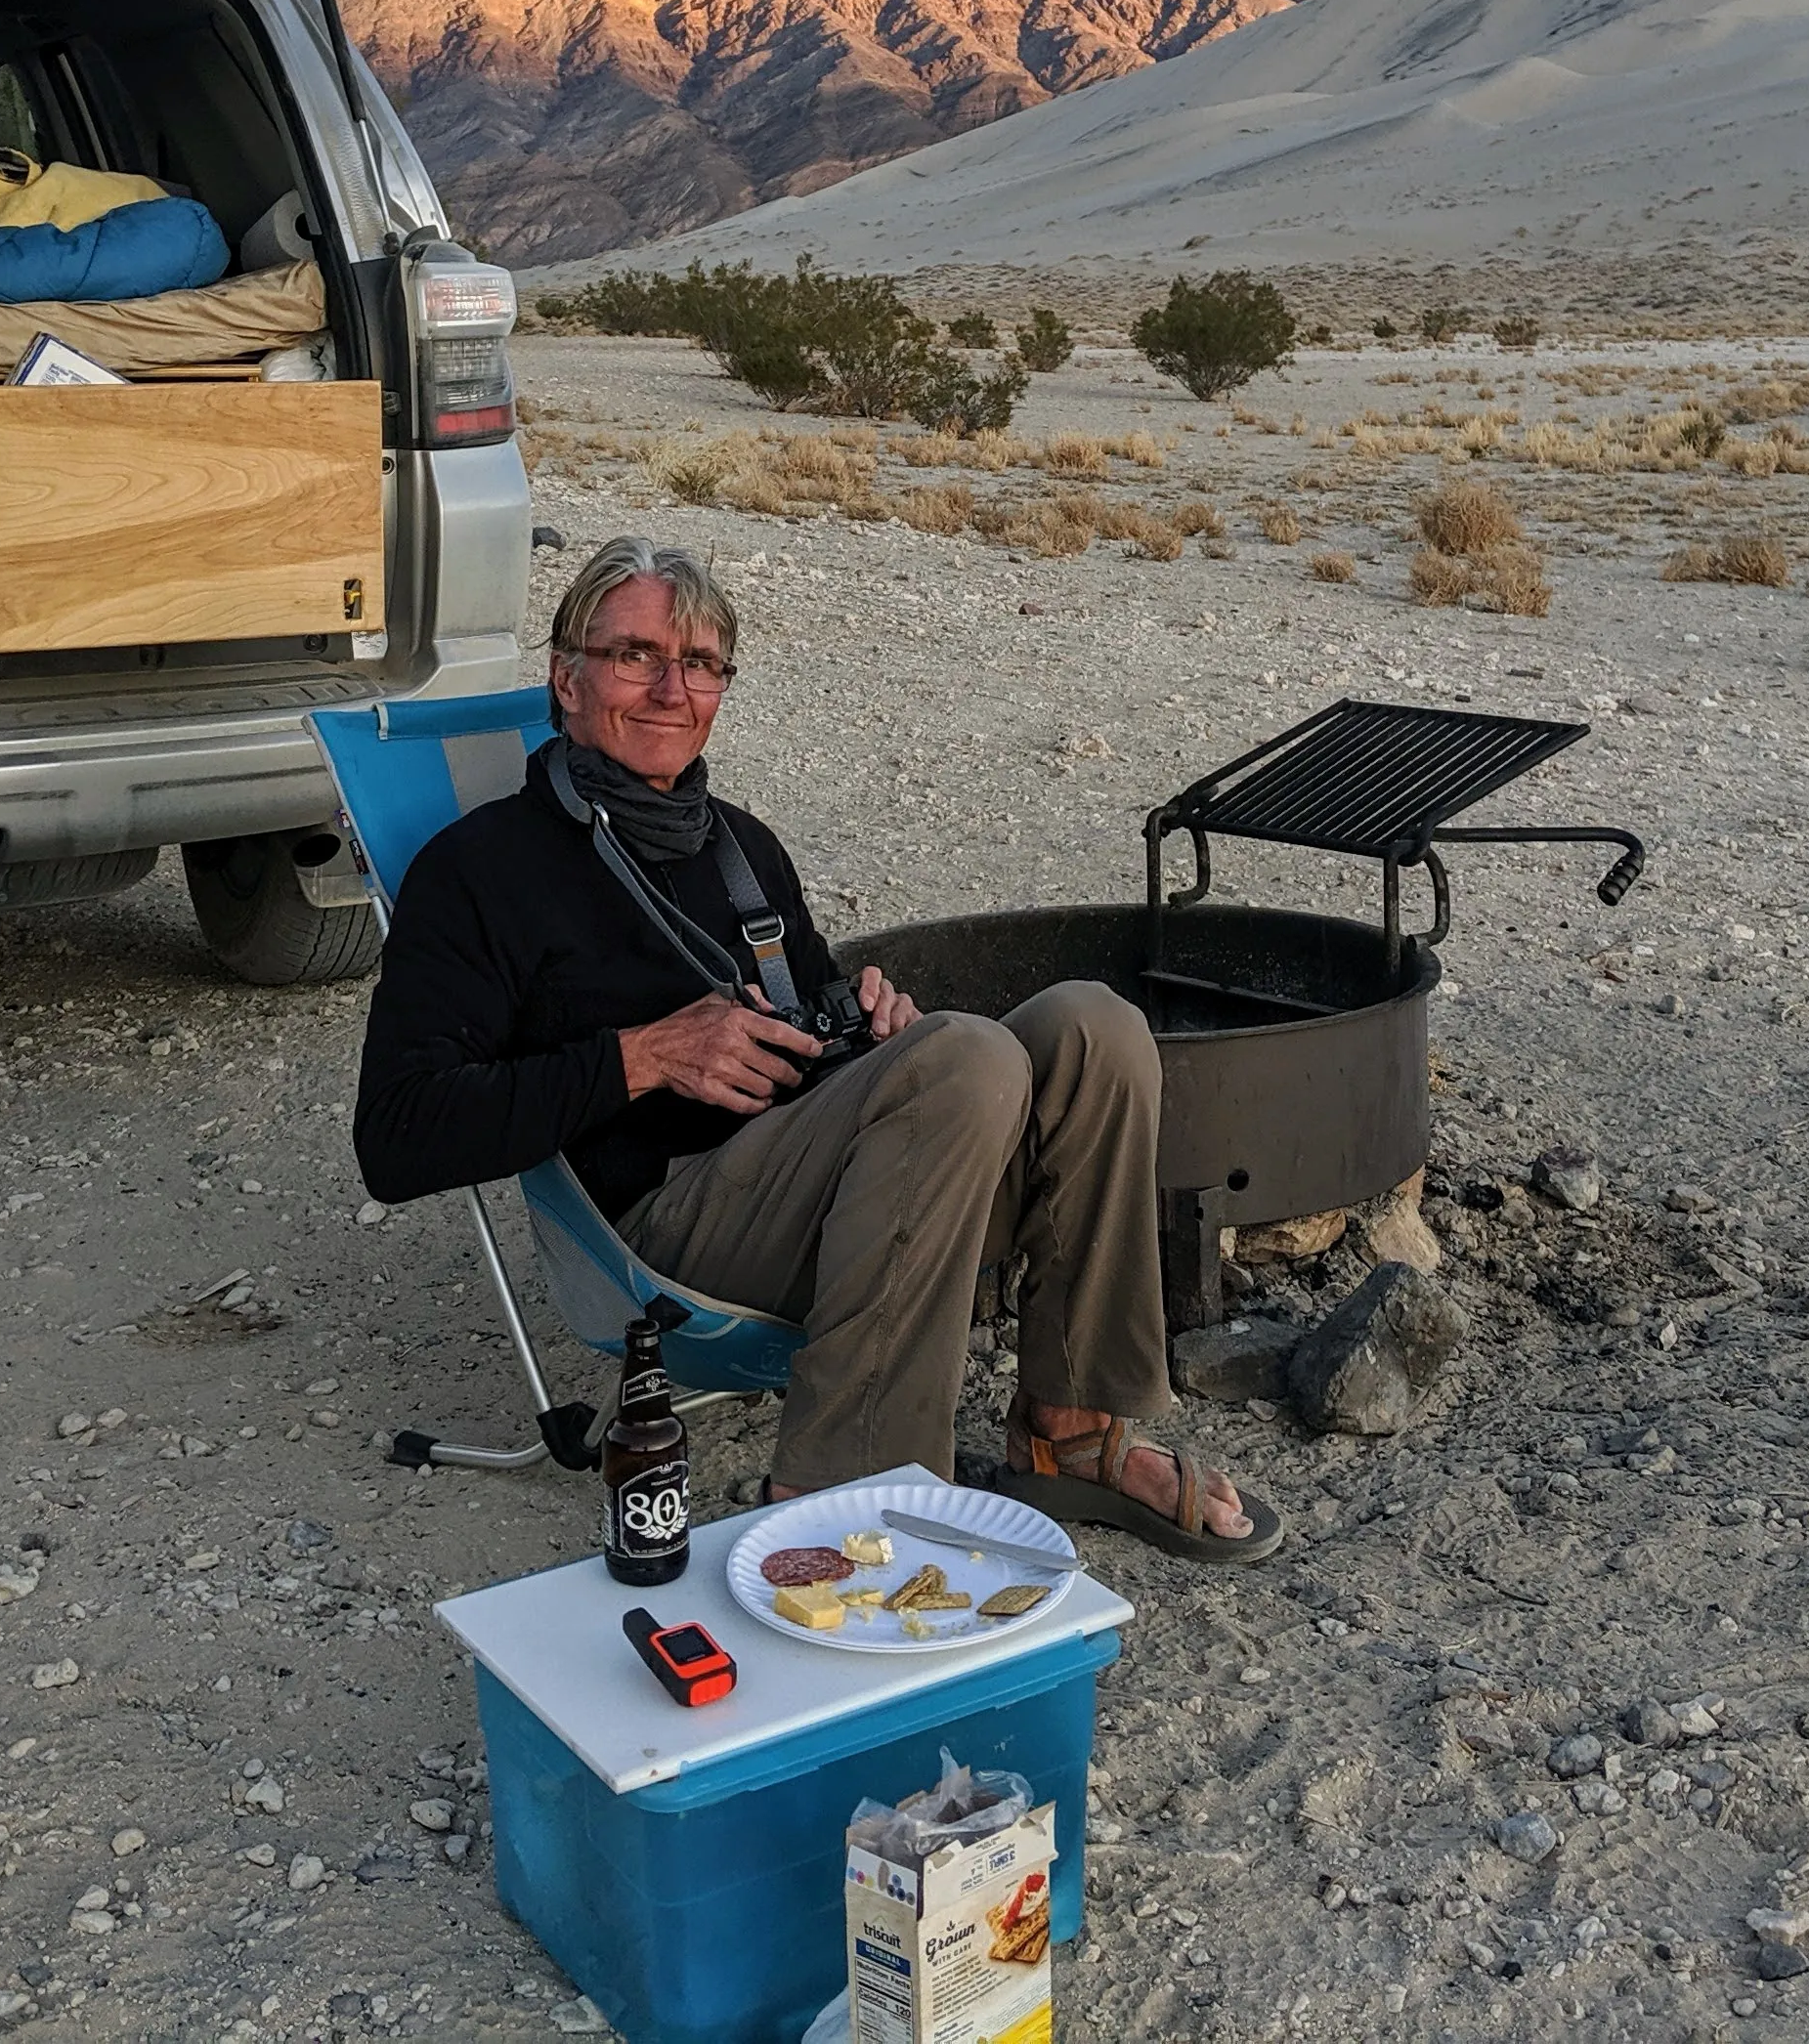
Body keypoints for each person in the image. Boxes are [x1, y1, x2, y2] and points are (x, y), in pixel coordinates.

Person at [353, 537, 1277, 1558]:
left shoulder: (740, 845)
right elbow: (397, 1139)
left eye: (701, 664)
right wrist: (645, 1057)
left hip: (841, 1191)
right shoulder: (480, 873)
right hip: (671, 1231)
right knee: (966, 1059)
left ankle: (1072, 1435)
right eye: (636, 657)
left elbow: (816, 1030)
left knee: (1090, 1026)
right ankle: (837, 1494)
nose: (671, 688)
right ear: (566, 680)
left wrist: (880, 1038)